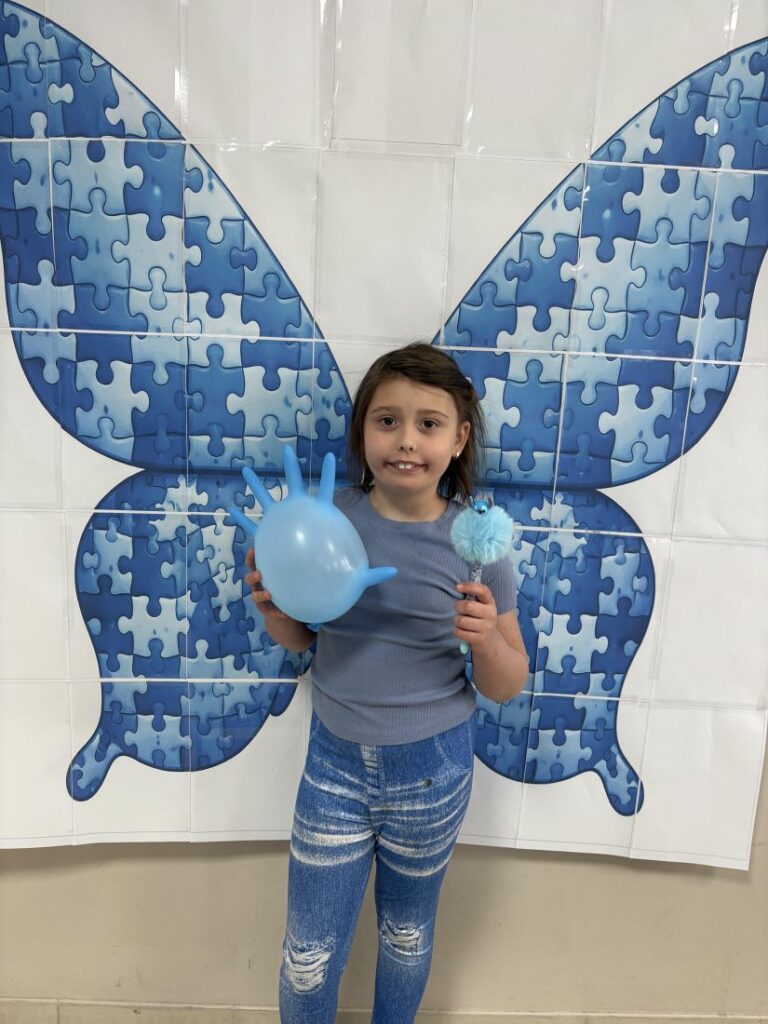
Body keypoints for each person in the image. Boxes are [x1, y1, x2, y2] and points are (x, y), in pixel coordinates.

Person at [244, 342, 529, 1023]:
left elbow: (507, 683)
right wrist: (277, 613)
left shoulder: (478, 546)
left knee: (406, 937)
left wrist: (487, 639)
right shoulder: (329, 520)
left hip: (434, 768)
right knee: (307, 956)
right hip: (334, 765)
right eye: (387, 421)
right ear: (363, 431)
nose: (406, 441)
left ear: (459, 439)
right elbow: (305, 641)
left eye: (428, 424)